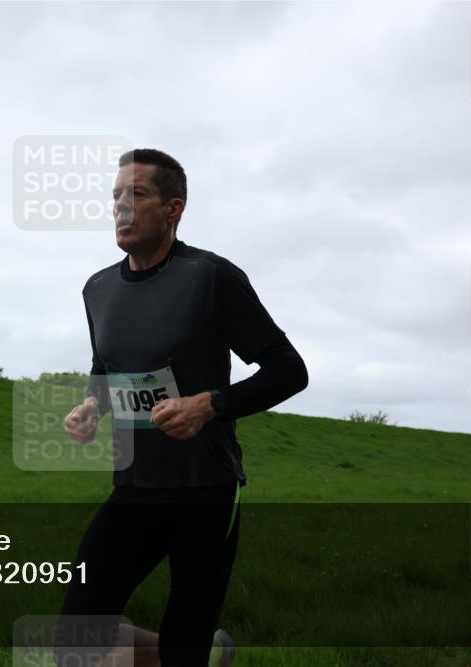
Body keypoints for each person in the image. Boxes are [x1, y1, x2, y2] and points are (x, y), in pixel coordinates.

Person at [58, 148, 308, 667]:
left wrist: (210, 405)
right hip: (132, 490)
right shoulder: (98, 288)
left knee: (183, 648)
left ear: (174, 209)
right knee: (76, 637)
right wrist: (91, 406)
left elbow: (289, 370)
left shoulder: (210, 276)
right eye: (116, 197)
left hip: (205, 492)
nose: (122, 209)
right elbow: (106, 367)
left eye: (138, 195)